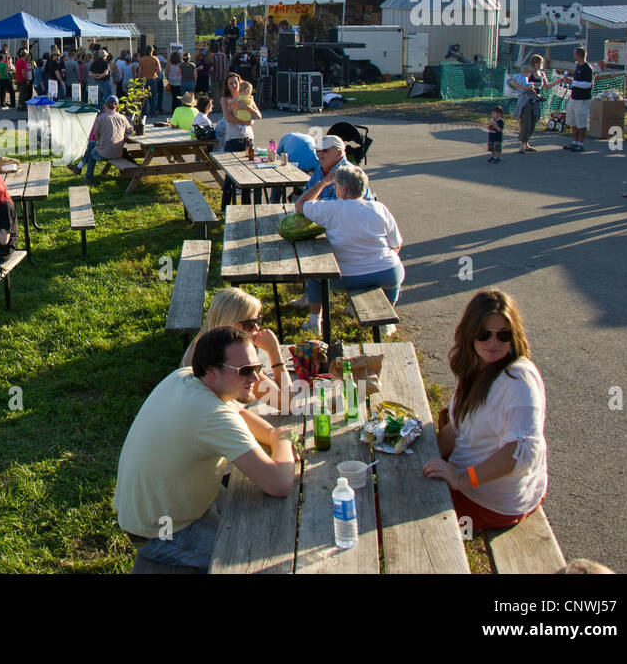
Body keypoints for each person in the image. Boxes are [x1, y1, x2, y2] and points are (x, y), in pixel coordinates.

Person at [115, 326, 297, 571]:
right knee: (260, 551)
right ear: (211, 370)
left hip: (154, 511)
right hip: (162, 532)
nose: (254, 379)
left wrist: (273, 435)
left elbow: (239, 412)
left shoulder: (184, 377)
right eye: (245, 371)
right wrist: (284, 440)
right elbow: (279, 484)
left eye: (257, 368)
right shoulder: (210, 415)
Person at [422, 290, 547, 531]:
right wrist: (423, 458)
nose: (493, 343)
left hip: (491, 500)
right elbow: (457, 429)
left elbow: (521, 453)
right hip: (473, 477)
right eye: (484, 334)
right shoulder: (477, 365)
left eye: (504, 335)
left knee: (392, 510)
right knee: (396, 480)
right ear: (469, 333)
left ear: (515, 335)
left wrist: (461, 479)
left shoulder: (518, 380)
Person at [295, 163, 402, 338]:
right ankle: (387, 322)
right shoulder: (379, 208)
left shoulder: (331, 208)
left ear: (342, 190)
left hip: (344, 277)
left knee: (315, 277)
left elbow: (301, 204)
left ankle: (315, 321)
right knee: (393, 281)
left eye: (336, 186)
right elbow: (396, 244)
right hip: (387, 272)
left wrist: (323, 183)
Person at [179, 288, 292, 413]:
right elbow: (289, 403)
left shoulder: (198, 345)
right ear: (230, 324)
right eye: (250, 323)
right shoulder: (234, 361)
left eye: (258, 320)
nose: (257, 327)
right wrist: (274, 352)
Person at [68, 95, 131, 185]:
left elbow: (96, 136)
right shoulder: (123, 118)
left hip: (106, 153)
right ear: (116, 106)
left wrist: (100, 143)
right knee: (91, 145)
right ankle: (79, 167)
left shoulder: (100, 118)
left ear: (105, 105)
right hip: (118, 151)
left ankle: (87, 178)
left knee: (91, 152)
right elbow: (129, 130)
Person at [506, 55, 559, 153]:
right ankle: (523, 144)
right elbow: (513, 82)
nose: (541, 65)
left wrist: (557, 81)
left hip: (535, 100)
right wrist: (523, 87)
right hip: (526, 99)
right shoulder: (527, 72)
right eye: (540, 63)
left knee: (533, 120)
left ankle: (526, 143)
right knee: (526, 121)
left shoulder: (541, 74)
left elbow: (546, 87)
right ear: (535, 64)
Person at [562, 47, 595, 152]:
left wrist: (572, 82)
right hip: (574, 97)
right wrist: (571, 81)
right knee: (573, 120)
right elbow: (577, 81)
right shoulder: (577, 66)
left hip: (582, 99)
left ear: (578, 55)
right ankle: (574, 142)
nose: (573, 56)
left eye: (574, 54)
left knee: (581, 121)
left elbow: (587, 84)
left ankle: (580, 143)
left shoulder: (587, 68)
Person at [137, 46, 163, 115]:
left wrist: (139, 78)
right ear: (152, 51)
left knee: (143, 97)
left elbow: (139, 71)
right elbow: (159, 70)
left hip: (144, 79)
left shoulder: (141, 59)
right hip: (152, 78)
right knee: (153, 96)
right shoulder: (155, 59)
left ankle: (143, 112)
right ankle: (152, 112)